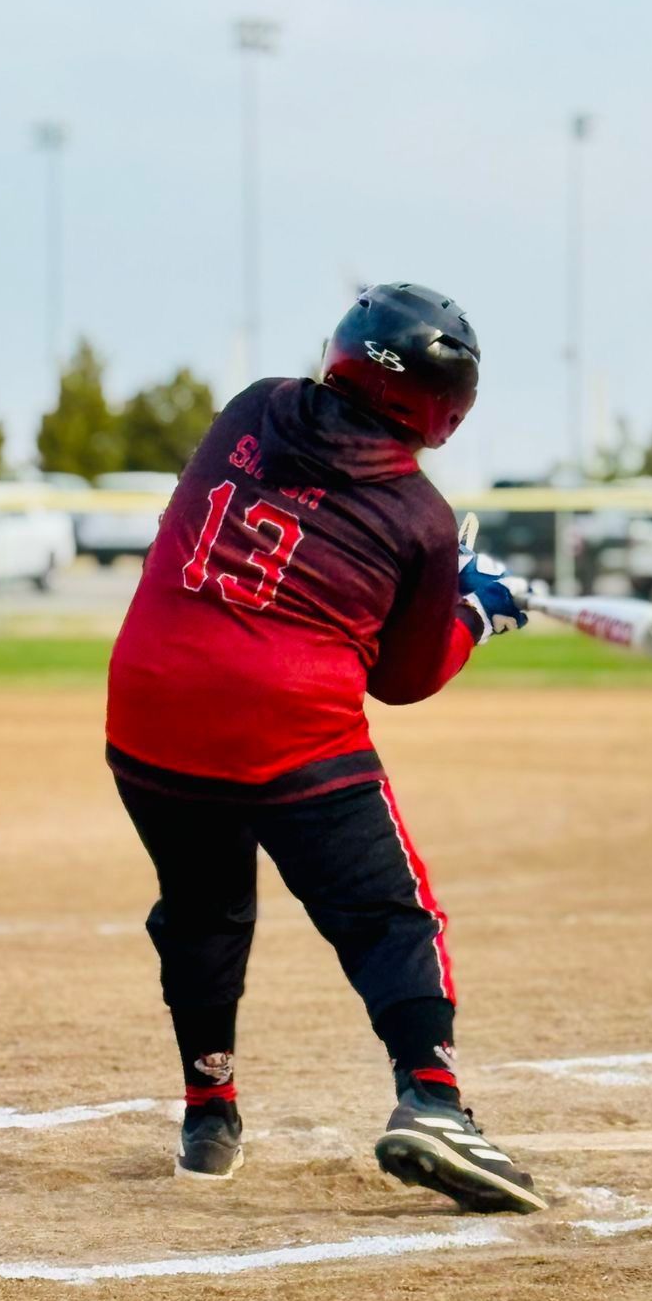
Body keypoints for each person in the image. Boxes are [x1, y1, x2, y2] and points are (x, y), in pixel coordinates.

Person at [105, 282, 547, 1213]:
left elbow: (285, 508)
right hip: (285, 726)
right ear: (444, 409)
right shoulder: (419, 517)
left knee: (204, 910)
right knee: (389, 916)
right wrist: (476, 606)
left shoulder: (254, 407)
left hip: (148, 708)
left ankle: (209, 1111)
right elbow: (405, 677)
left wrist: (439, 578)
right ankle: (431, 1100)